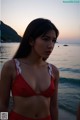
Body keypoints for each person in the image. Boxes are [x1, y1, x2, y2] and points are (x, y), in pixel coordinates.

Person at [0, 18, 59, 120]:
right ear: (31, 41)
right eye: (45, 39)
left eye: (53, 40)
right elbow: (2, 105)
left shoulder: (53, 71)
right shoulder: (11, 67)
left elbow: (53, 106)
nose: (51, 45)